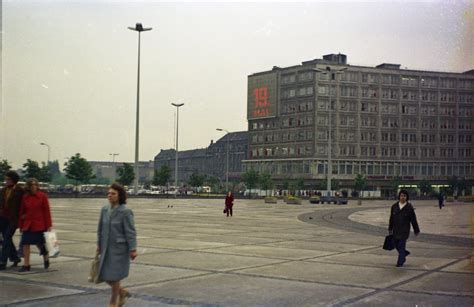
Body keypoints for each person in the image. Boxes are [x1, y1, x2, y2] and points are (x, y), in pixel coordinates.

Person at [97, 183, 137, 307]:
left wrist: (133, 249)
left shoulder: (125, 212)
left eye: (113, 193)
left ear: (120, 196)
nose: (109, 195)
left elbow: (130, 232)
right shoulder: (104, 209)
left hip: (119, 249)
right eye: (108, 193)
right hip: (106, 248)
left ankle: (112, 303)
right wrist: (99, 244)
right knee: (104, 275)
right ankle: (122, 292)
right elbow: (100, 228)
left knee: (114, 277)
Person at [18, 178, 52, 272]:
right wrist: (21, 224)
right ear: (28, 187)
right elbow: (22, 211)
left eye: (35, 185)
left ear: (37, 186)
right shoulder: (25, 197)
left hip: (39, 224)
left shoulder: (42, 196)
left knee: (39, 243)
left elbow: (47, 211)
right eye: (31, 185)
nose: (33, 187)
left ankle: (45, 256)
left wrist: (49, 225)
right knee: (25, 243)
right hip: (28, 224)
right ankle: (26, 265)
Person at [388, 190, 420, 267]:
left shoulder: (409, 207)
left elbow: (413, 219)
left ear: (407, 197)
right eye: (401, 195)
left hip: (404, 230)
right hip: (396, 229)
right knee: (395, 244)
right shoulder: (394, 206)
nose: (403, 197)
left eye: (404, 196)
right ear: (399, 196)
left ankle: (400, 262)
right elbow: (391, 218)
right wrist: (390, 228)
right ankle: (404, 254)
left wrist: (416, 230)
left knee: (401, 246)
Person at [0, 171, 24, 270]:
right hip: (2, 218)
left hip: (13, 219)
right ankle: (15, 257)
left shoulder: (20, 191)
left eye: (8, 179)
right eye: (6, 179)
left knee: (6, 238)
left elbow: (23, 205)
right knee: (7, 239)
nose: (6, 181)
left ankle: (2, 261)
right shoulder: (3, 190)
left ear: (13, 180)